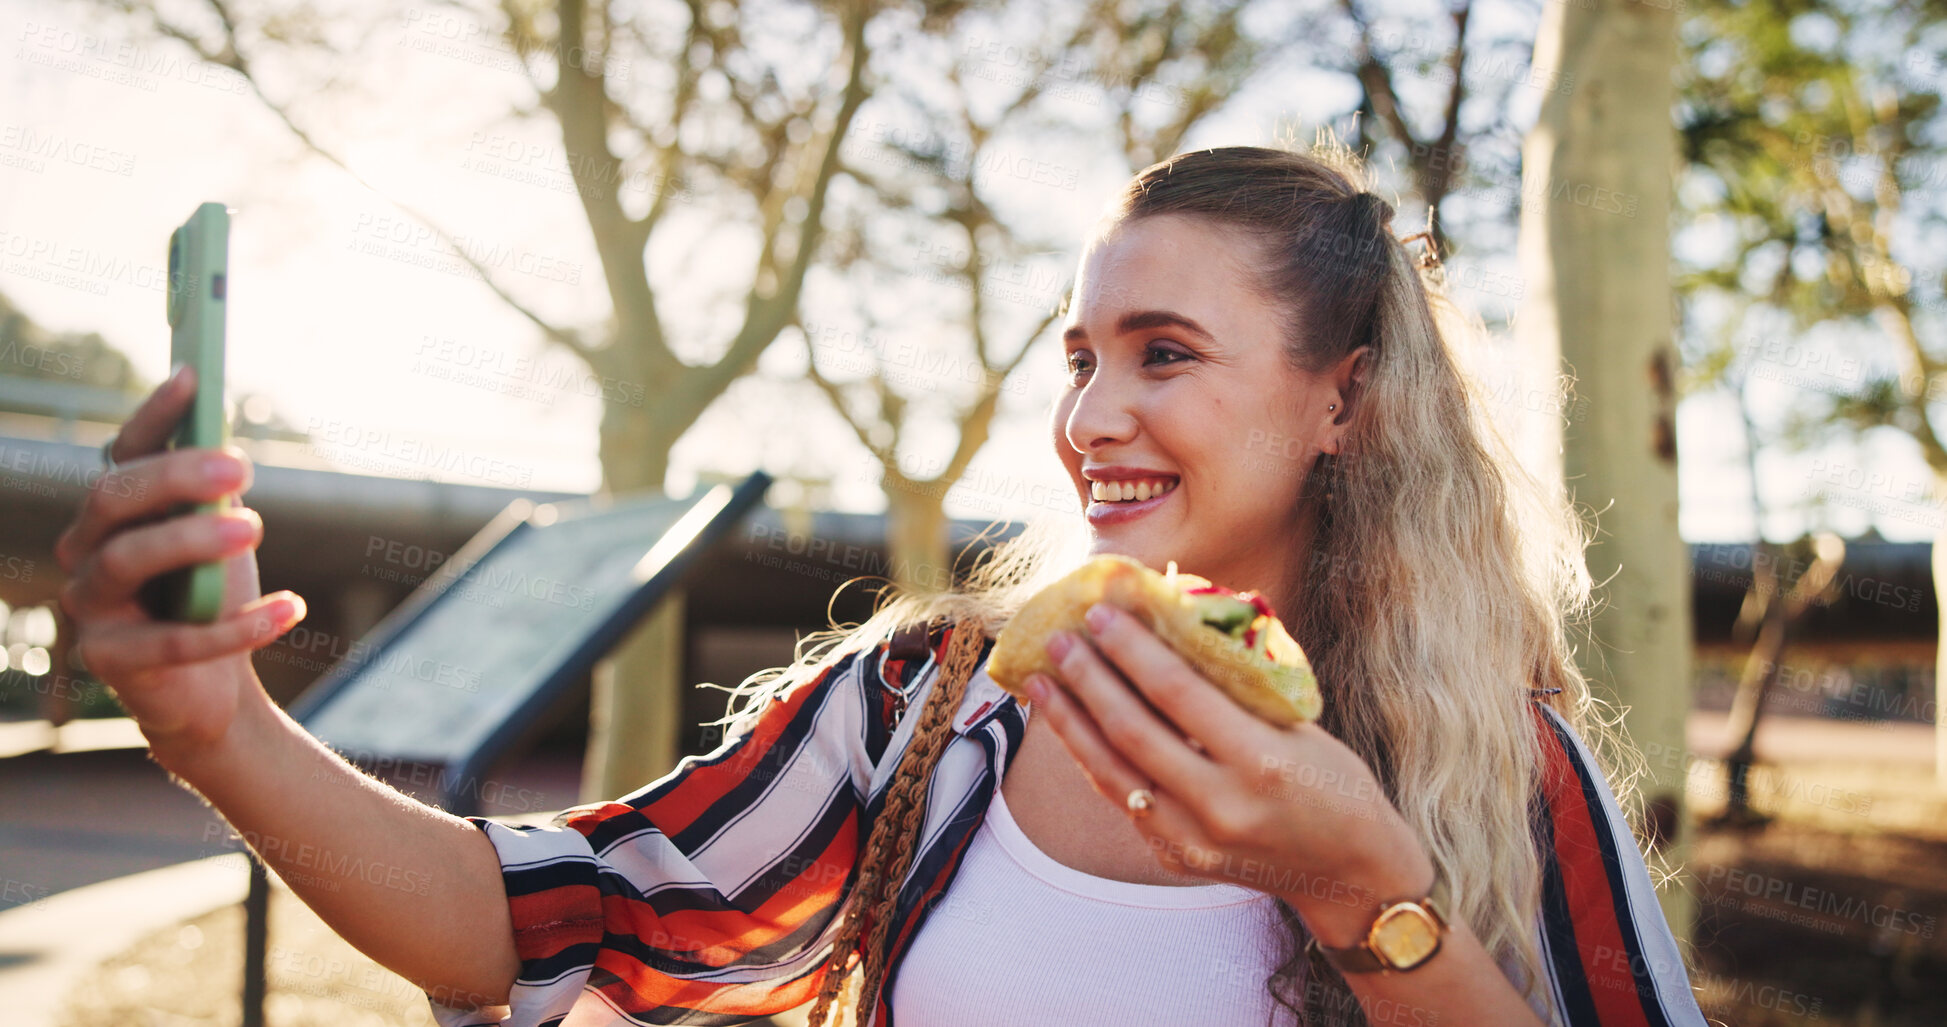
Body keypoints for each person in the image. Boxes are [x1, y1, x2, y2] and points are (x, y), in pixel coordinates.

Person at [54, 141, 1708, 1027]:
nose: (1090, 418)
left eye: (1166, 355)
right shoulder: (926, 708)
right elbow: (544, 918)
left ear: (1342, 400)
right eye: (1077, 358)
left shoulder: (1500, 767)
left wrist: (1368, 898)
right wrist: (218, 730)